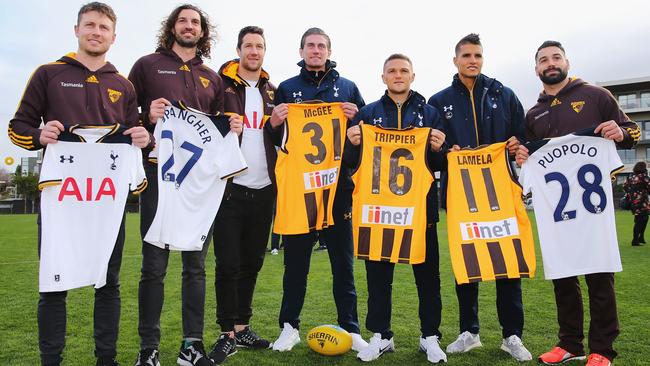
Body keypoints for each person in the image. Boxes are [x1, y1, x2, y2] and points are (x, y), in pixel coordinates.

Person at [7, 3, 150, 365]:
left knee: (108, 283)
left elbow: (133, 135)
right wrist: (39, 135)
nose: (96, 32)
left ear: (113, 37)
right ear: (76, 30)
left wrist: (142, 138)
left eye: (103, 27)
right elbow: (17, 127)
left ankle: (107, 359)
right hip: (61, 198)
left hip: (106, 201)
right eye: (90, 25)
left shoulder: (123, 84)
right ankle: (50, 360)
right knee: (54, 285)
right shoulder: (48, 74)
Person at [128, 5, 240, 366]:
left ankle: (192, 346)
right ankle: (149, 349)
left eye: (195, 22)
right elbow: (126, 116)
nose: (189, 26)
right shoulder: (146, 65)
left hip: (199, 185)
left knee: (195, 266)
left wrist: (232, 127)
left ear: (203, 31)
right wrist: (148, 116)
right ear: (172, 27)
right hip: (161, 177)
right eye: (183, 20)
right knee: (154, 266)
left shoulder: (212, 76)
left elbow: (220, 126)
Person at [516, 40, 640, 366]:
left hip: (593, 207)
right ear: (537, 70)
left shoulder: (596, 95)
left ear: (566, 62)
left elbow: (632, 130)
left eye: (556, 57)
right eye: (543, 60)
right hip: (556, 211)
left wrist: (622, 132)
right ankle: (570, 343)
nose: (550, 63)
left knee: (600, 276)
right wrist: (522, 155)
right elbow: (528, 157)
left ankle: (602, 349)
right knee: (563, 276)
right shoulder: (534, 114)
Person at [428, 33, 532, 362]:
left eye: (478, 55)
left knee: (507, 266)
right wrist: (445, 152)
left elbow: (524, 135)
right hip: (461, 195)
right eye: (467, 55)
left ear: (482, 59)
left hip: (501, 192)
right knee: (466, 264)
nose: (473, 60)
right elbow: (430, 154)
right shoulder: (438, 100)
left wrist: (517, 144)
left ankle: (512, 335)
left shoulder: (504, 93)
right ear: (455, 60)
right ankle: (468, 332)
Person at [266, 27, 367, 352]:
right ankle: (289, 326)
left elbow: (366, 136)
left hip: (338, 190)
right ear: (301, 51)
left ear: (329, 50)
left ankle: (351, 330)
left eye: (321, 45)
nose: (316, 50)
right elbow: (276, 142)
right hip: (301, 191)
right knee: (295, 265)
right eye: (310, 45)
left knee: (343, 266)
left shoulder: (348, 87)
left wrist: (357, 120)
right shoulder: (287, 88)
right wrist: (275, 122)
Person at [345, 54, 447, 363]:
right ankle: (381, 335)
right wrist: (351, 142)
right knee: (378, 279)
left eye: (403, 70)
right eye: (392, 71)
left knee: (428, 277)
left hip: (420, 210)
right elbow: (349, 164)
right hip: (379, 212)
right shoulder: (366, 114)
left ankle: (429, 336)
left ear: (413, 76)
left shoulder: (430, 113)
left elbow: (441, 166)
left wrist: (439, 149)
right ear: (383, 77)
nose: (398, 75)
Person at [207, 26, 277, 363]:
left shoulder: (273, 92)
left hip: (265, 188)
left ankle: (242, 326)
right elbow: (203, 123)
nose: (253, 51)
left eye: (259, 46)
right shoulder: (219, 86)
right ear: (238, 50)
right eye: (248, 45)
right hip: (230, 188)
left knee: (252, 262)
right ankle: (225, 334)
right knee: (228, 263)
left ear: (265, 52)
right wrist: (223, 123)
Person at [624, 161, 650, 246]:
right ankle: (635, 240)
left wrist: (631, 194)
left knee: (643, 219)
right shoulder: (643, 177)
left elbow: (625, 186)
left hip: (633, 202)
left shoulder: (631, 176)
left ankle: (641, 237)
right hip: (642, 202)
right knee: (640, 220)